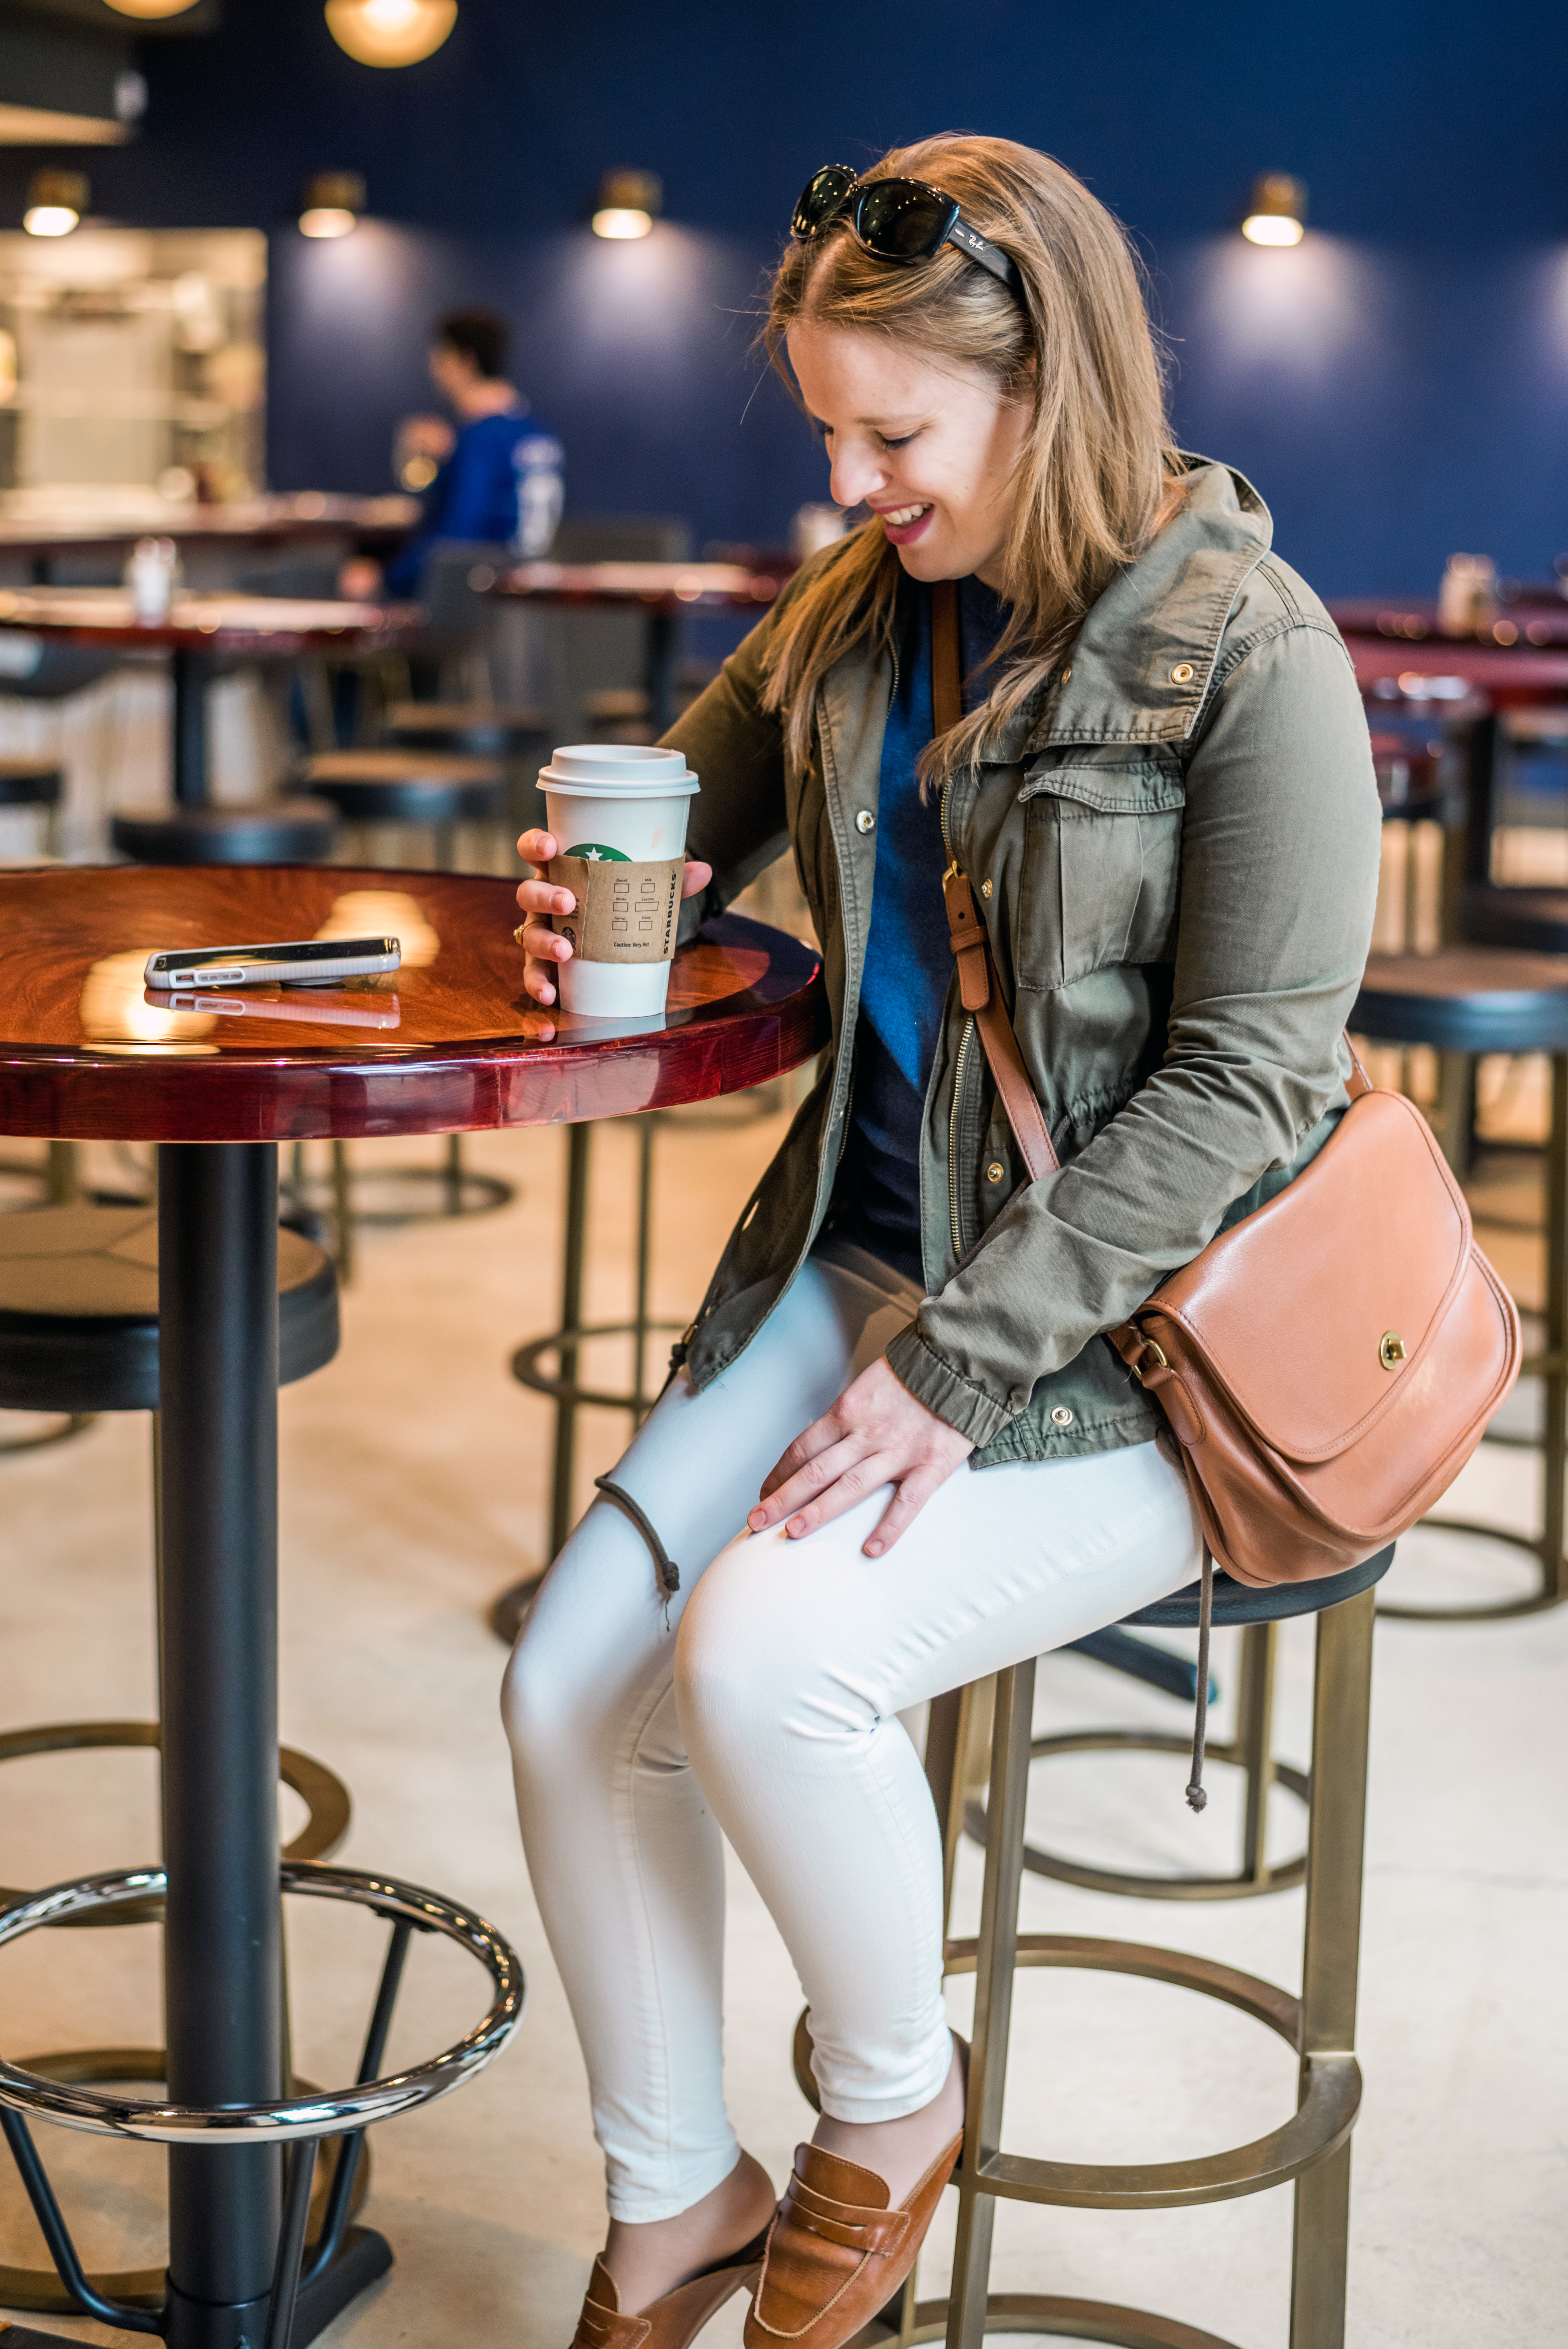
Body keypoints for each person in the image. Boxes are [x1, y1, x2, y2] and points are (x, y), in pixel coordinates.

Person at [504, 133, 1381, 2349]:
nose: (854, 479)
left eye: (892, 434)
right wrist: (578, 885)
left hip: (1132, 1349)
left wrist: (953, 1372)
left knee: (770, 1664)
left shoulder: (1243, 645)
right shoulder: (860, 607)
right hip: (863, 1267)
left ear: (1045, 387)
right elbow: (674, 806)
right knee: (558, 1686)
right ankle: (672, 2202)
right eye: (826, 430)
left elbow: (1252, 1087)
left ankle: (888, 2116)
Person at [346, 307, 563, 601]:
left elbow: (459, 542)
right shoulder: (538, 435)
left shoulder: (478, 441)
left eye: (440, 360)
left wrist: (386, 576)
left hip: (473, 608)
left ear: (465, 362)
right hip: (527, 603)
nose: (434, 371)